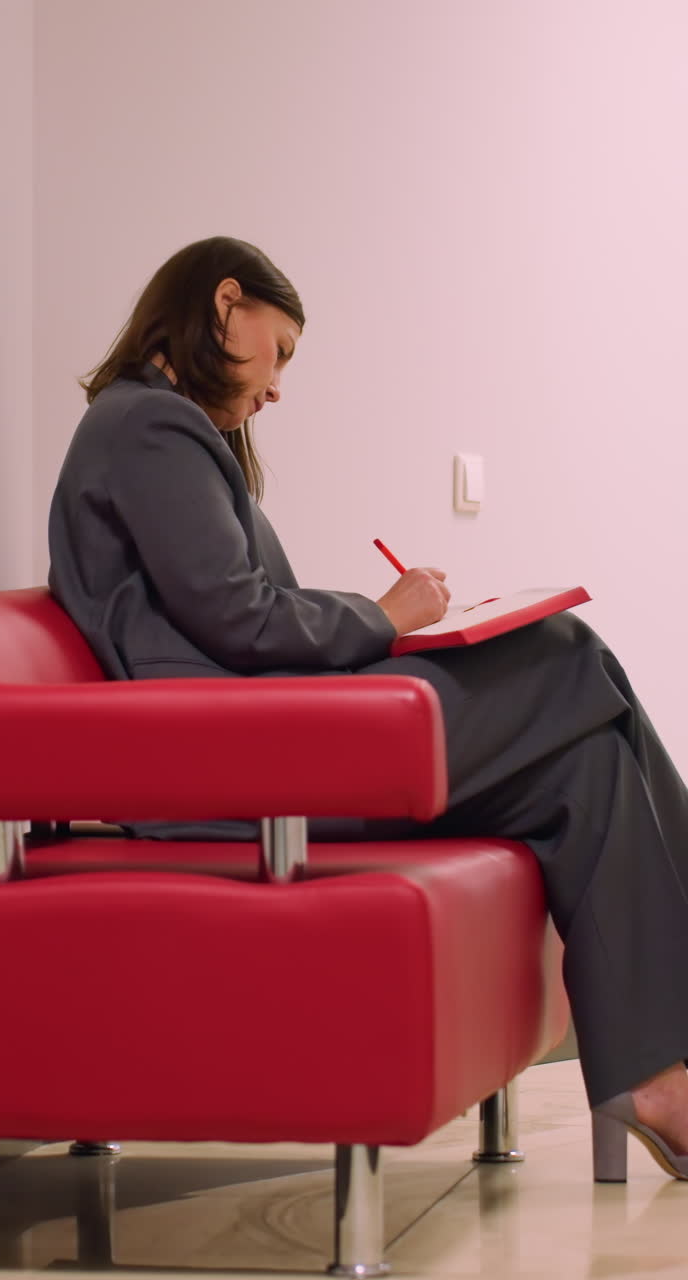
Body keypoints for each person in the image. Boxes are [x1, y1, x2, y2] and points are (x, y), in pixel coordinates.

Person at [49, 235, 688, 1177]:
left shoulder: (160, 428)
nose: (276, 387)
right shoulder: (146, 425)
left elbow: (231, 616)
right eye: (281, 352)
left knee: (586, 769)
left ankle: (656, 1081)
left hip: (262, 737)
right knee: (565, 652)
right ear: (226, 304)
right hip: (236, 765)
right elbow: (241, 618)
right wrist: (384, 620)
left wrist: (387, 628)